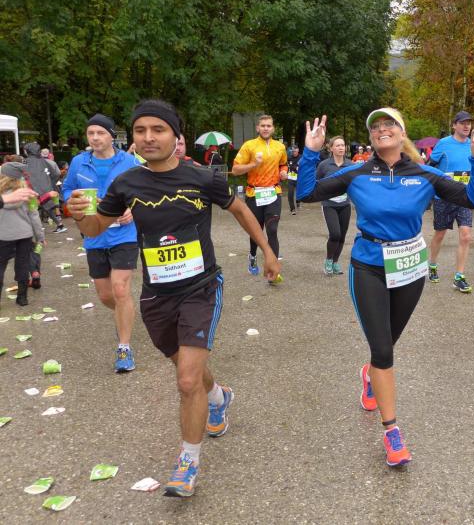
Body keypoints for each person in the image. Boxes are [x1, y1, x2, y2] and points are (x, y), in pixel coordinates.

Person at [66, 99, 280, 497]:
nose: (149, 137)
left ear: (175, 136)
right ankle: (218, 396)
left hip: (201, 288)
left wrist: (267, 250)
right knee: (188, 370)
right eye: (141, 130)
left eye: (158, 129)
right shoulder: (126, 183)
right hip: (156, 296)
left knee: (186, 380)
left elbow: (239, 210)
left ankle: (187, 463)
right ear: (133, 138)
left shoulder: (202, 177)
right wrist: (78, 213)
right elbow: (95, 228)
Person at [296, 108, 474, 466]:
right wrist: (310, 152)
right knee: (383, 349)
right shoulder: (356, 173)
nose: (382, 130)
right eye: (376, 127)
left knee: (388, 341)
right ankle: (392, 431)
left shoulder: (425, 174)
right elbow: (306, 193)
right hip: (368, 265)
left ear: (402, 134)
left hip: (409, 267)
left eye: (389, 125)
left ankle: (370, 374)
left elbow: (473, 199)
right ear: (371, 138)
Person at [62, 113, 141, 373]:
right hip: (94, 234)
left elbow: (144, 192)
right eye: (91, 133)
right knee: (106, 295)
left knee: (120, 289)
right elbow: (66, 189)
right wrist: (73, 198)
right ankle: (124, 314)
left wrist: (132, 209)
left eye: (100, 133)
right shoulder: (79, 162)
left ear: (111, 136)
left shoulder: (129, 161)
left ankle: (124, 347)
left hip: (124, 234)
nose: (95, 138)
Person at [428, 110, 474, 293]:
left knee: (466, 235)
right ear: (454, 125)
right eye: (462, 123)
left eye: (468, 123)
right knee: (440, 234)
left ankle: (459, 276)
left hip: (464, 197)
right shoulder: (443, 144)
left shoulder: (473, 145)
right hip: (444, 196)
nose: (466, 126)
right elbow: (430, 167)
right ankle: (432, 265)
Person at [231, 115, 288, 274]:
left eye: (268, 126)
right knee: (256, 230)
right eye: (263, 125)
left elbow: (283, 164)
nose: (265, 128)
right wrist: (253, 164)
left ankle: (273, 267)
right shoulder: (249, 146)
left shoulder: (280, 147)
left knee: (272, 230)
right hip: (254, 194)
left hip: (273, 192)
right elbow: (235, 170)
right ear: (258, 128)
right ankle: (253, 255)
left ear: (273, 128)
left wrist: (284, 172)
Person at [0, 169, 44, 307]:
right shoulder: (27, 195)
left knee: (1, 266)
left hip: (3, 235)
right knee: (23, 265)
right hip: (24, 234)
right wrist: (40, 237)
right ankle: (22, 298)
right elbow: (34, 217)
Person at [316, 136, 353, 275]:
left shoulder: (350, 165)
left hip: (345, 204)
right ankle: (328, 260)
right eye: (337, 145)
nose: (341, 148)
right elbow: (317, 182)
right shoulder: (324, 165)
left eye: (343, 145)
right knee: (335, 234)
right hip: (329, 204)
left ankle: (335, 262)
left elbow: (355, 184)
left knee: (342, 236)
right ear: (331, 148)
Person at [286, 145, 300, 214]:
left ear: (298, 151)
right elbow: (286, 165)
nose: (294, 153)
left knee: (299, 192)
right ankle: (292, 209)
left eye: (295, 151)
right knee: (290, 194)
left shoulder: (301, 158)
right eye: (293, 151)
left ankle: (298, 201)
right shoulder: (289, 158)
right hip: (291, 178)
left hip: (299, 178)